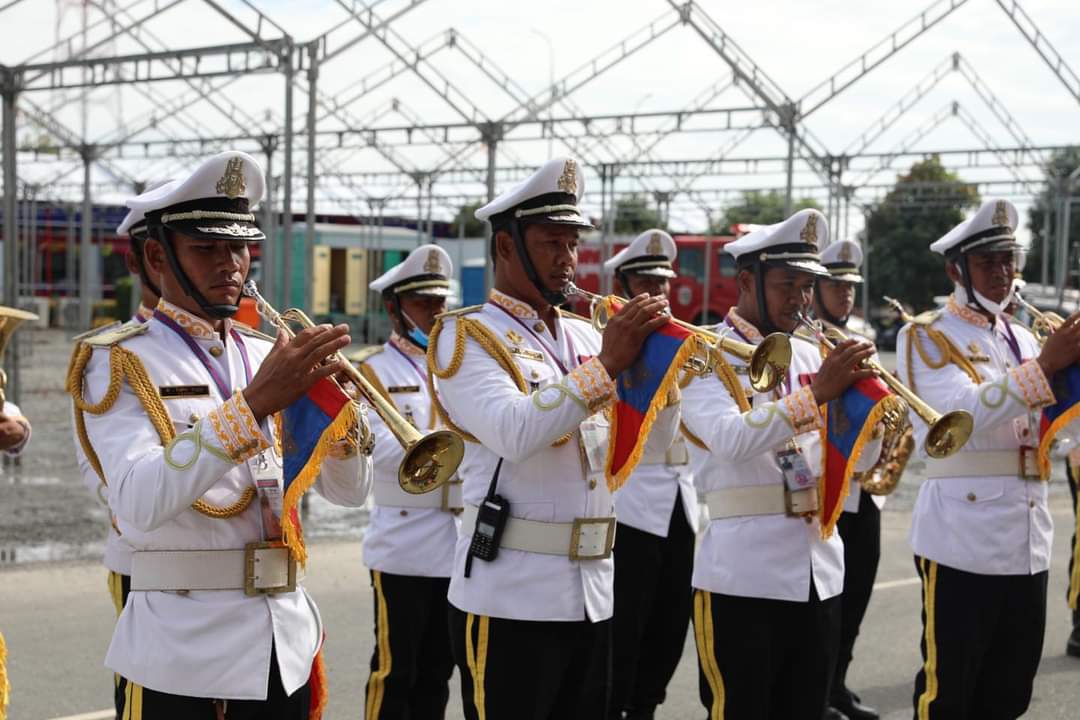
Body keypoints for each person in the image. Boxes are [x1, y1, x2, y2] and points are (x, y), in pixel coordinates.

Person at [68, 150, 373, 717]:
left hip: (284, 642)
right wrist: (254, 405)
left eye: (239, 247)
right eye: (206, 248)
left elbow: (350, 494)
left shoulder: (265, 351)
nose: (230, 264)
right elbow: (137, 502)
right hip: (186, 653)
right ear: (157, 256)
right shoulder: (116, 361)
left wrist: (344, 423)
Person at [429, 157, 680, 719]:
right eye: (550, 243)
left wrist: (662, 380)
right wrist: (608, 366)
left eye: (572, 243)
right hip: (510, 595)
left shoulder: (587, 335)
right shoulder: (466, 335)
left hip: (590, 592)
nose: (567, 258)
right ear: (505, 247)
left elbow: (653, 446)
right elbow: (514, 431)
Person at [681, 209, 882, 720]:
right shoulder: (706, 353)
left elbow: (858, 462)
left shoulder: (816, 355)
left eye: (807, 286)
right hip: (744, 576)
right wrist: (817, 396)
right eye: (786, 285)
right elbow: (728, 439)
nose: (800, 298)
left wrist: (875, 422)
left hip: (818, 569)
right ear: (748, 281)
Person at [896, 199, 1080, 718]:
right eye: (987, 263)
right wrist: (1045, 368)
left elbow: (1058, 430)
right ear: (956, 271)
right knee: (949, 693)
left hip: (1027, 536)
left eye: (1008, 260)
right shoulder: (926, 335)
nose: (1002, 273)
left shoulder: (1023, 337)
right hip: (963, 537)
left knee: (1009, 693)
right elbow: (954, 414)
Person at [71, 188, 174, 717]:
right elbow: (95, 463)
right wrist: (128, 506)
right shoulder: (109, 354)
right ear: (141, 262)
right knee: (143, 687)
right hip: (142, 548)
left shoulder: (241, 346)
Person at [353, 243, 460, 719]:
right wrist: (448, 444)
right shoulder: (371, 370)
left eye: (440, 302)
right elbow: (375, 449)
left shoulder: (457, 364)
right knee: (395, 672)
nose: (436, 313)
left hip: (456, 539)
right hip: (404, 539)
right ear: (393, 309)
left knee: (439, 671)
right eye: (423, 303)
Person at [603, 229, 698, 720]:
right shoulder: (609, 345)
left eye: (662, 283)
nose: (656, 292)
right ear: (620, 285)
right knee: (626, 628)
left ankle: (645, 707)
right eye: (645, 283)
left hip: (681, 502)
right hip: (632, 502)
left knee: (669, 626)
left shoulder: (683, 341)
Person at [813, 240, 880, 720]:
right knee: (827, 605)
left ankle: (836, 684)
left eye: (851, 286)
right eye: (836, 285)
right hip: (825, 487)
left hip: (864, 489)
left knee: (855, 596)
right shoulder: (805, 341)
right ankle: (819, 693)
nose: (846, 294)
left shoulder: (860, 338)